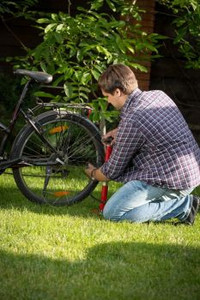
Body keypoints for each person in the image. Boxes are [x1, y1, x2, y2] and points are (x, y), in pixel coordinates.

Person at [85, 64, 200, 225]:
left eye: (107, 96)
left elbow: (111, 171)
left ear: (117, 92)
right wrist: (120, 131)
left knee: (113, 212)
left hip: (171, 180)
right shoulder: (158, 95)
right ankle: (179, 203)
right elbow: (154, 125)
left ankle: (183, 206)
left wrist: (93, 173)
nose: (108, 101)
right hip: (190, 174)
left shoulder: (133, 119)